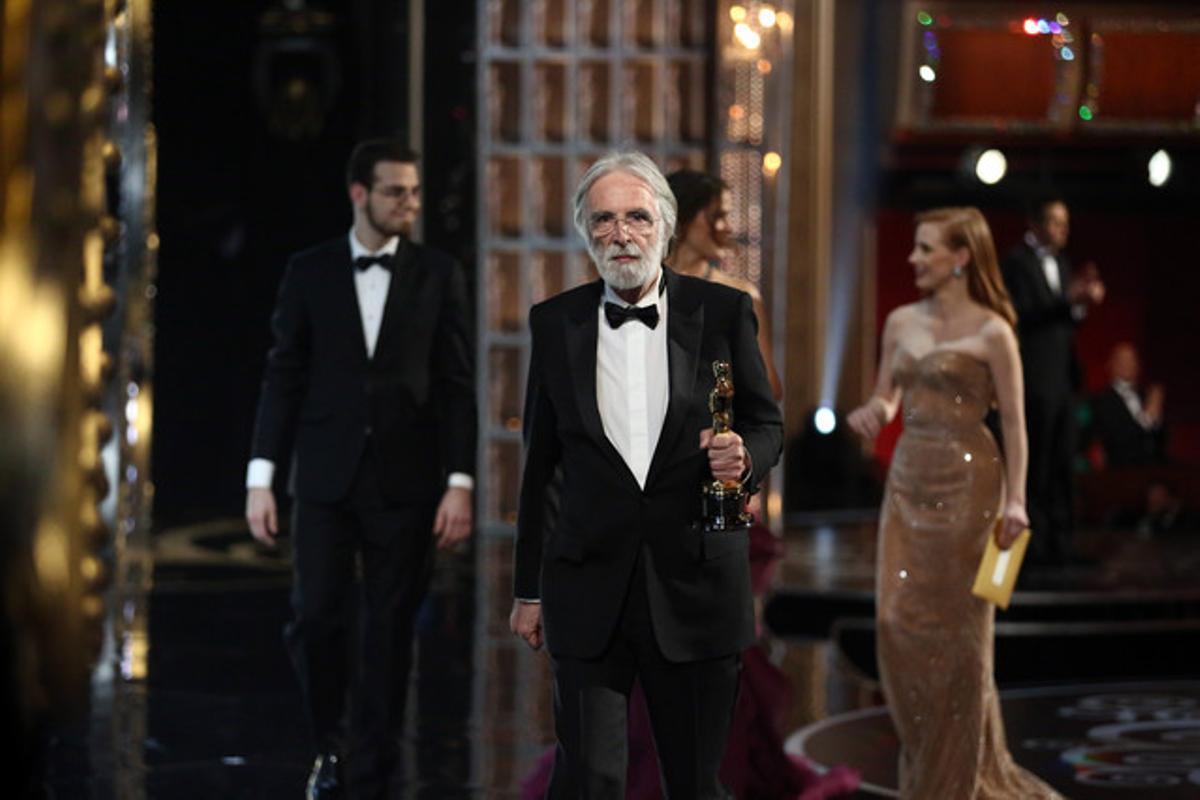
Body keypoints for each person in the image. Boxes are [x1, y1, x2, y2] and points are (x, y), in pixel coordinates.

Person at [509, 151, 783, 798]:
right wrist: (528, 588)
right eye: (603, 220)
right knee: (590, 778)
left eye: (636, 216)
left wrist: (745, 457)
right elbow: (542, 465)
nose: (621, 233)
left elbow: (768, 424)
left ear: (663, 224)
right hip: (586, 585)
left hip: (694, 584)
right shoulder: (556, 323)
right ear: (585, 233)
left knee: (693, 781)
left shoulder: (723, 311)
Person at [245, 139, 476, 799]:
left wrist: (459, 481)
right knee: (316, 617)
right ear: (359, 195)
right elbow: (282, 377)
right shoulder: (309, 271)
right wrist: (261, 475)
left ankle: (375, 764)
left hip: (406, 481)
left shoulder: (438, 272)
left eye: (414, 191)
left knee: (390, 627)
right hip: (322, 476)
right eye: (395, 191)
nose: (410, 203)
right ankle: (328, 744)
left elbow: (456, 385)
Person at [848, 207, 1062, 798]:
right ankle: (926, 757)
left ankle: (955, 782)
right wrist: (875, 413)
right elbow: (887, 397)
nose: (913, 259)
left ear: (960, 256)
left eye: (925, 249)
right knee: (896, 624)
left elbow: (1016, 425)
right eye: (914, 248)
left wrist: (1017, 502)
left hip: (973, 485)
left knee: (964, 640)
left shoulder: (995, 331)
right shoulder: (898, 323)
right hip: (910, 480)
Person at [1001, 196, 1104, 565]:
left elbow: (1063, 317)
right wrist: (1067, 299)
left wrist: (1080, 303)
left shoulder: (1061, 262)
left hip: (1062, 381)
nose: (1064, 230)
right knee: (1037, 464)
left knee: (1063, 461)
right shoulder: (1016, 263)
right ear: (1036, 224)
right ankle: (1034, 547)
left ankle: (1062, 542)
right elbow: (1022, 314)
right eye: (1057, 222)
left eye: (1066, 223)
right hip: (1034, 380)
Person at [664, 169, 782, 400]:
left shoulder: (739, 295)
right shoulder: (638, 288)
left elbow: (769, 388)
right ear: (681, 216)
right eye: (717, 216)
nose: (728, 227)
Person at [1089, 341, 1167, 468]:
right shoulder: (1102, 400)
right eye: (1122, 360)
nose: (1128, 364)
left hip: (1154, 470)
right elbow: (1122, 438)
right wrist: (1149, 415)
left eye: (1132, 360)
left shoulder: (1146, 396)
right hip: (1122, 472)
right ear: (1110, 365)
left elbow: (1160, 439)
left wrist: (1157, 419)